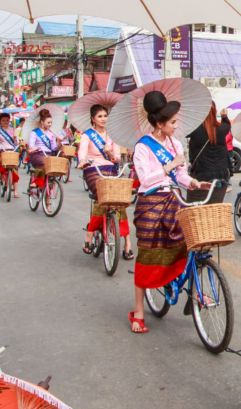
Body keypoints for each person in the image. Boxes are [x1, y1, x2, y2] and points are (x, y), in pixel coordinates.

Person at [129, 91, 209, 333]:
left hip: (174, 199)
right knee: (147, 256)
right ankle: (139, 310)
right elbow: (145, 179)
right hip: (152, 203)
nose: (176, 126)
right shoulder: (142, 147)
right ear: (159, 123)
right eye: (173, 122)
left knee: (190, 241)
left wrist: (192, 182)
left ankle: (176, 280)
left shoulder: (175, 143)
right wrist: (169, 166)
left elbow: (181, 174)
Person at [78, 104, 132, 260]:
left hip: (110, 169)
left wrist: (109, 152)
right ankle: (90, 233)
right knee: (102, 197)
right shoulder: (87, 135)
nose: (103, 119)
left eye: (105, 116)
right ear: (93, 119)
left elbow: (116, 158)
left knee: (119, 201)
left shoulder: (111, 136)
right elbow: (82, 151)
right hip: (92, 168)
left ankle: (127, 241)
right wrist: (82, 160)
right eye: (100, 116)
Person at [186, 102, 231, 204]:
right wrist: (224, 117)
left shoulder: (194, 130)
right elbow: (227, 126)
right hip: (221, 173)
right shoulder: (222, 128)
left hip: (201, 174)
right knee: (215, 210)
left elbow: (181, 130)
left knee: (196, 209)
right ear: (215, 112)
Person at [26, 109, 62, 192]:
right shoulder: (35, 132)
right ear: (42, 122)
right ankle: (36, 181)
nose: (50, 124)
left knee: (54, 167)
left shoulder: (51, 133)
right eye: (48, 122)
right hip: (37, 154)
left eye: (51, 123)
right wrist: (33, 148)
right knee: (43, 163)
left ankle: (48, 197)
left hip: (48, 154)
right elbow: (31, 144)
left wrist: (59, 141)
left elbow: (53, 148)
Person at [0, 113, 20, 198]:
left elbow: (17, 143)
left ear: (9, 121)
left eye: (7, 120)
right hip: (3, 150)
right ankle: (1, 176)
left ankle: (15, 191)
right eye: (3, 120)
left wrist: (15, 138)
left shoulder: (13, 130)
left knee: (15, 170)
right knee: (2, 165)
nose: (5, 122)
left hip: (13, 150)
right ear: (0, 122)